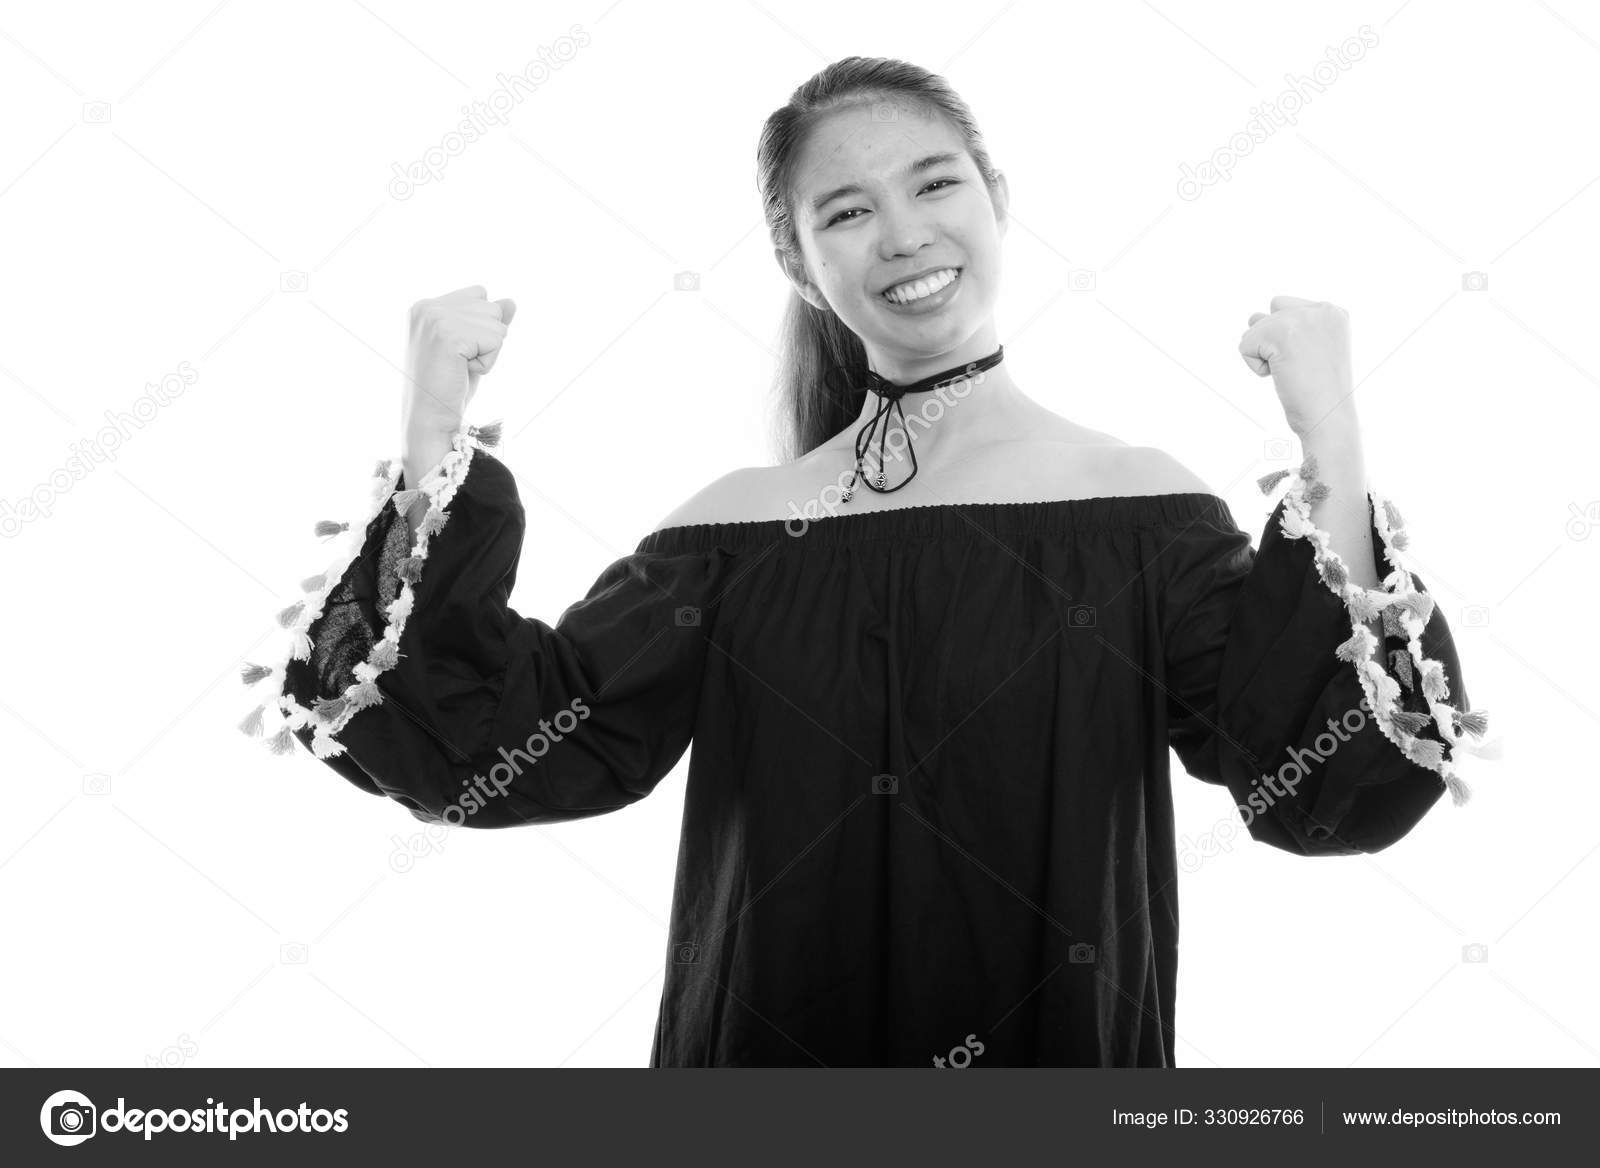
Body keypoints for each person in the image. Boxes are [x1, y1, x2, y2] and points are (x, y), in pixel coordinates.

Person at [237, 56, 1493, 1067]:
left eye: (933, 186)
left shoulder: (1138, 511)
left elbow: (1323, 779)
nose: (901, 234)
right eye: (846, 210)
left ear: (996, 200)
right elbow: (484, 745)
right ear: (798, 261)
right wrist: (430, 432)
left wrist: (1330, 437)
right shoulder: (733, 531)